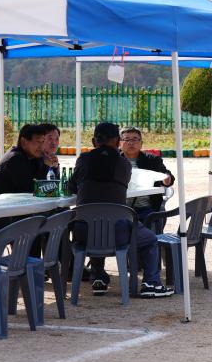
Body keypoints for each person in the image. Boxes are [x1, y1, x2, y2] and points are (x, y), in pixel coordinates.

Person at [67, 122, 174, 298]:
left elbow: (72, 186)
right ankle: (151, 284)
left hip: (83, 232)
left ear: (94, 141)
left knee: (96, 226)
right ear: (118, 142)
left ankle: (98, 277)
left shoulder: (83, 159)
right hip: (119, 232)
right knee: (150, 239)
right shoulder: (123, 165)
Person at [0, 123, 47, 233]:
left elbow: (48, 186)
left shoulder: (35, 158)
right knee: (36, 224)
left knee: (54, 216)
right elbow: (33, 189)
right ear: (23, 142)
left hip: (18, 211)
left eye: (43, 142)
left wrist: (53, 167)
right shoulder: (15, 159)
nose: (41, 147)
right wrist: (46, 166)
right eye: (37, 142)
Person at [119, 127, 174, 226]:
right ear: (120, 143)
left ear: (141, 143)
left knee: (149, 231)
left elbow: (166, 176)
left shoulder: (152, 160)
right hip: (121, 208)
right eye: (127, 139)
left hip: (147, 208)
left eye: (135, 139)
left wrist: (166, 179)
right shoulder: (114, 160)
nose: (131, 143)